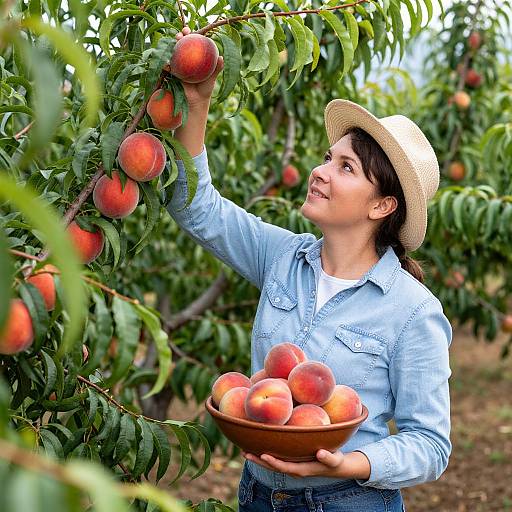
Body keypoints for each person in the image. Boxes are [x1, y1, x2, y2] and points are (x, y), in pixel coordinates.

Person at [167, 26, 452, 512]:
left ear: (382, 205)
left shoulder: (411, 310)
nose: (320, 171)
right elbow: (197, 208)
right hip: (258, 493)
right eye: (327, 158)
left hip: (348, 501)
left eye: (345, 168)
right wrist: (197, 102)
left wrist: (350, 462)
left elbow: (430, 444)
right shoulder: (283, 257)